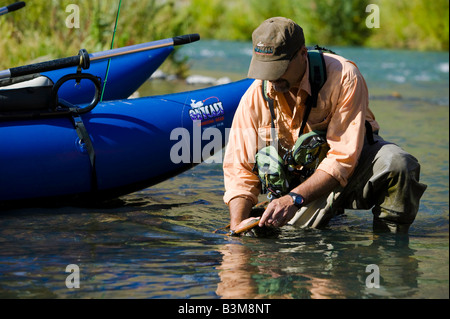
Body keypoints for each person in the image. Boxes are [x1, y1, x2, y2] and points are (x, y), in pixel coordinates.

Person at [223, 17, 427, 234]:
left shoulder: (344, 76)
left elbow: (343, 158)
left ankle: (390, 246)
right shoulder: (255, 95)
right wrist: (238, 224)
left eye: (278, 67)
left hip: (350, 170)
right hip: (297, 187)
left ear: (303, 54)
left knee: (399, 164)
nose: (271, 78)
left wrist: (294, 199)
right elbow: (238, 169)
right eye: (265, 69)